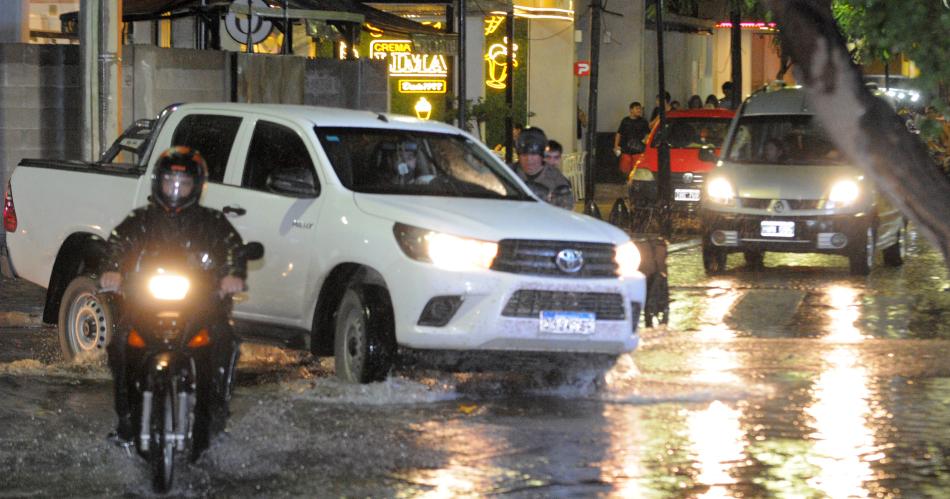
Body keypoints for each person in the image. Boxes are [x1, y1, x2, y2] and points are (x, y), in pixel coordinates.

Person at [100, 146, 248, 447]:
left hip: (202, 303)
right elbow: (118, 242)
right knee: (121, 341)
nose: (175, 189)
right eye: (169, 182)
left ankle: (215, 413)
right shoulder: (141, 219)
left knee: (224, 338)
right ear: (158, 183)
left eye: (183, 184)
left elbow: (232, 246)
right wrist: (113, 269)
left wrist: (232, 274)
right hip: (147, 302)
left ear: (197, 187)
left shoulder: (211, 222)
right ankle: (127, 421)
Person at [512, 127, 573, 210]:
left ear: (542, 155)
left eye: (534, 154)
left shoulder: (557, 180)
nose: (529, 159)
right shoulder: (508, 173)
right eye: (524, 155)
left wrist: (545, 196)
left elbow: (564, 212)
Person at [614, 101, 651, 176]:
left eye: (640, 109)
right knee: (624, 170)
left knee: (638, 171)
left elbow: (647, 135)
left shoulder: (643, 121)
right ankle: (626, 183)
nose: (639, 110)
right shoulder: (625, 121)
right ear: (631, 110)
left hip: (639, 150)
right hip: (626, 150)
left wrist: (646, 145)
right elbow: (619, 134)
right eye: (637, 108)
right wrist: (615, 146)